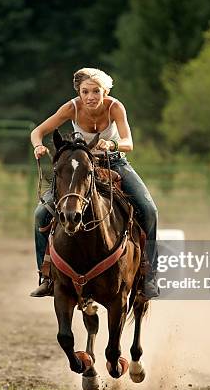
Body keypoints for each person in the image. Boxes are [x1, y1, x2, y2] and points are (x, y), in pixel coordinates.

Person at [29, 67, 159, 299]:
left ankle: (149, 277)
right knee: (41, 214)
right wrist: (38, 145)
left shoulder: (115, 107)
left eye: (96, 91)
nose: (90, 97)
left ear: (105, 92)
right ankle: (46, 275)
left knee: (149, 210)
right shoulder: (71, 108)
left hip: (114, 163)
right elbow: (38, 131)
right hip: (80, 167)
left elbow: (128, 141)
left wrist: (112, 145)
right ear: (78, 92)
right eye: (85, 91)